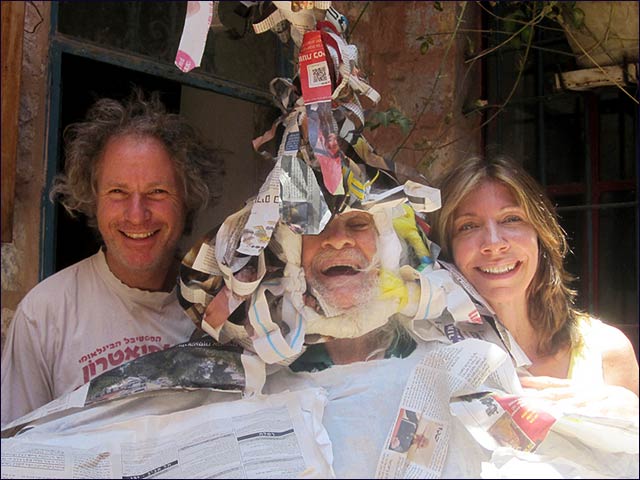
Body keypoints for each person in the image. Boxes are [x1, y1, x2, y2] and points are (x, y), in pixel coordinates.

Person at [0, 89, 225, 425]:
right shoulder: (45, 315)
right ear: (93, 198)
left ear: (188, 197)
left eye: (157, 192)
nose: (137, 215)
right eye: (118, 192)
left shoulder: (222, 307)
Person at [429, 155, 639, 396]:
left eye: (511, 219)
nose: (493, 244)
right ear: (447, 248)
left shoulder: (606, 352)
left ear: (540, 234)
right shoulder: (429, 357)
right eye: (468, 226)